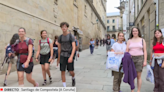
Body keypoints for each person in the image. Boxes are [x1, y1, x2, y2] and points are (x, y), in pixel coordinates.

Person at [126, 27, 147, 92]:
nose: (135, 32)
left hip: (140, 58)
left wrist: (145, 61)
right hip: (131, 59)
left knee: (138, 76)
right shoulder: (129, 40)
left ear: (138, 32)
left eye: (136, 31)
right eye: (133, 31)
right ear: (132, 32)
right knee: (132, 76)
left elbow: (145, 51)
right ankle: (132, 90)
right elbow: (127, 51)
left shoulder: (142, 40)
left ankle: (138, 90)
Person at [57, 22, 76, 87]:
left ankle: (73, 78)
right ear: (61, 28)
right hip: (62, 55)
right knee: (62, 71)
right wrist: (58, 59)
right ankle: (64, 86)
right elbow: (59, 48)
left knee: (71, 71)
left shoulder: (71, 36)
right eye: (62, 27)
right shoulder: (60, 37)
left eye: (65, 27)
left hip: (69, 55)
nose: (64, 28)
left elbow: (74, 47)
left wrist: (71, 57)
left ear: (67, 28)